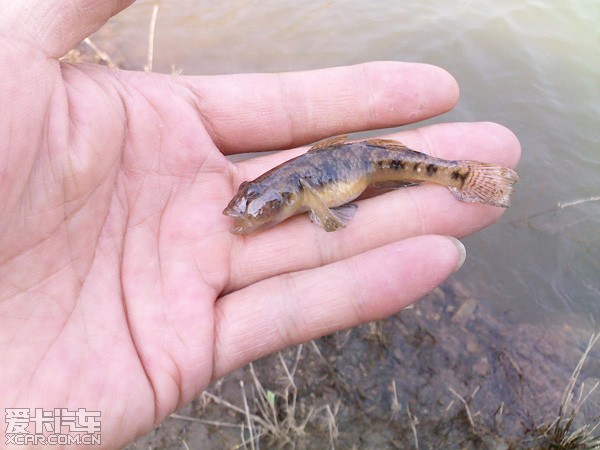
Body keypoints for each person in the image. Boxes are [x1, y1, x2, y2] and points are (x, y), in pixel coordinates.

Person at [0, 0, 520, 448]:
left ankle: (466, 178)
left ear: (292, 196)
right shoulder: (288, 193)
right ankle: (463, 177)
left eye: (258, 204)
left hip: (367, 167)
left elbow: (329, 211)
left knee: (418, 181)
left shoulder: (308, 192)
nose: (246, 214)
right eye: (252, 202)